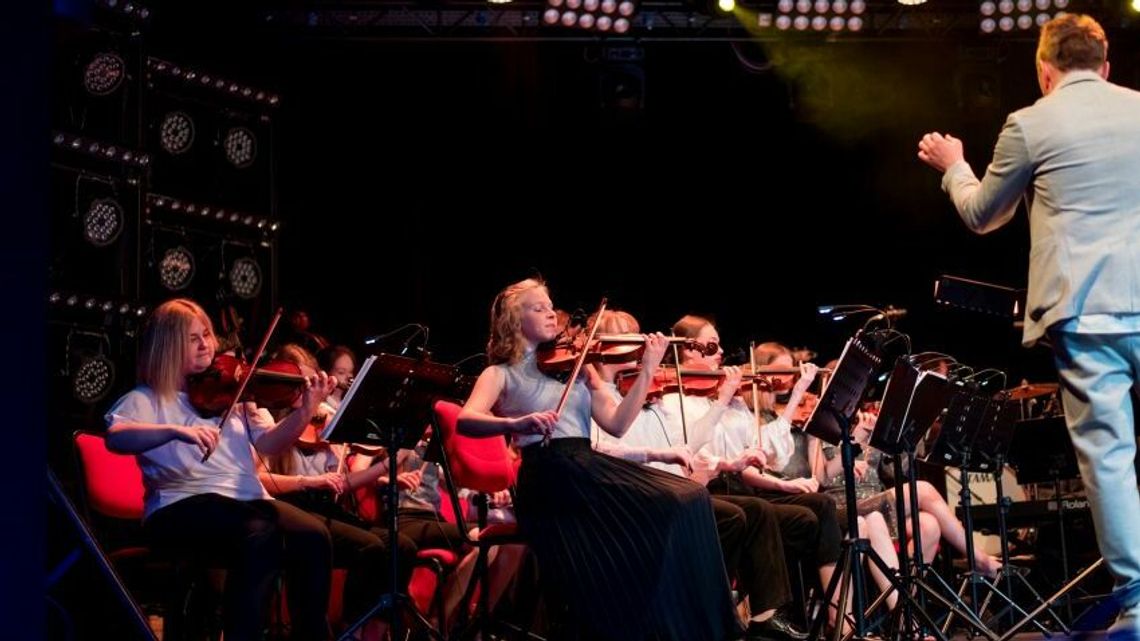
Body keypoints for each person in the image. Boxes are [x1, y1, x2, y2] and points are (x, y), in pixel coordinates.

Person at [917, 14, 1140, 637]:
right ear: (1106, 65)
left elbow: (984, 215)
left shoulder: (1031, 122)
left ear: (1043, 70)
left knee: (1110, 457)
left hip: (1084, 310)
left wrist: (954, 165)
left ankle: (1139, 605)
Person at [457, 278, 741, 641]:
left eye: (550, 306)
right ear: (514, 320)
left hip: (584, 465)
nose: (551, 314)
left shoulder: (579, 367)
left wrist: (649, 369)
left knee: (691, 497)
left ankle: (692, 624)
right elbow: (466, 420)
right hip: (549, 476)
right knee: (673, 502)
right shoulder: (500, 373)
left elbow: (618, 424)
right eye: (538, 308)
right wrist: (516, 423)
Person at [104, 298, 335, 641]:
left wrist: (304, 412)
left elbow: (270, 444)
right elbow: (116, 437)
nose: (206, 345)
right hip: (178, 504)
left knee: (314, 535)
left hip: (245, 501)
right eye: (193, 338)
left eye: (208, 335)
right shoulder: (147, 398)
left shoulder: (235, 394)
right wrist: (175, 430)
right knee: (260, 531)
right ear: (168, 347)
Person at [589, 310, 805, 641]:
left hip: (671, 487)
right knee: (733, 515)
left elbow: (687, 446)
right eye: (628, 340)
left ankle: (737, 614)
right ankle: (706, 613)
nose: (640, 348)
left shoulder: (650, 395)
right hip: (639, 495)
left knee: (751, 514)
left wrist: (726, 454)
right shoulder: (606, 395)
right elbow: (612, 448)